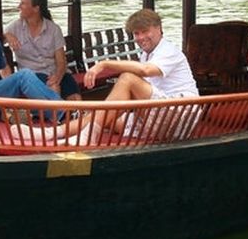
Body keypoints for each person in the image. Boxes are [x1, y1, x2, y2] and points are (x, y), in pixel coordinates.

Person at [19, 8, 199, 145]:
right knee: (105, 116)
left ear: (159, 28)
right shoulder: (147, 53)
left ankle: (89, 135)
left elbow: (145, 71)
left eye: (145, 31)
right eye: (137, 33)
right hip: (155, 113)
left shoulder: (169, 50)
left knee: (127, 78)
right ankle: (54, 133)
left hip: (180, 115)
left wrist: (105, 64)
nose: (141, 37)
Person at [4, 0, 81, 100]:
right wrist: (7, 35)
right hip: (32, 76)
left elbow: (61, 61)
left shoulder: (53, 29)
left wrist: (57, 77)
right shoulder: (14, 27)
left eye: (23, 3)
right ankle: (58, 117)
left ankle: (78, 116)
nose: (19, 6)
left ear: (36, 8)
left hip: (56, 72)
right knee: (54, 89)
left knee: (75, 98)